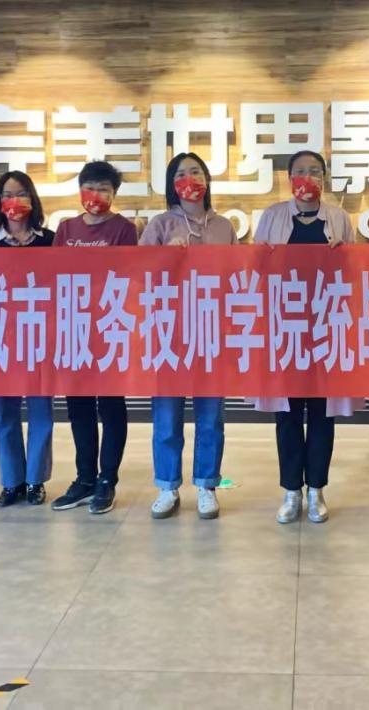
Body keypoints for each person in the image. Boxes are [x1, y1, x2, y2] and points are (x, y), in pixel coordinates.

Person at [251, 150, 361, 525]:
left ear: (324, 179)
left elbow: (355, 272)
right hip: (285, 327)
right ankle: (290, 491)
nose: (307, 177)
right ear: (289, 178)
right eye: (300, 171)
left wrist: (344, 256)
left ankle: (316, 489)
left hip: (326, 326)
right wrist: (264, 258)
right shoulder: (272, 216)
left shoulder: (339, 218)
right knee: (287, 413)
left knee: (321, 413)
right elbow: (254, 270)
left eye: (315, 171)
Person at [141, 152, 236, 520]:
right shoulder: (160, 224)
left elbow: (237, 275)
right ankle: (167, 486)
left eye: (196, 171)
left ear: (207, 179)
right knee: (167, 415)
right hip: (169, 331)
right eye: (181, 174)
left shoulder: (224, 227)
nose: (190, 179)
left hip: (211, 331)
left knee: (211, 416)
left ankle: (207, 485)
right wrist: (165, 256)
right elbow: (137, 274)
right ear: (172, 184)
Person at [49, 161, 138, 515]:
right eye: (90, 187)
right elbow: (54, 274)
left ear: (114, 194)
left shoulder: (124, 228)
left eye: (104, 189)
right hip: (73, 326)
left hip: (108, 327)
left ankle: (107, 480)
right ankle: (84, 478)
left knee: (111, 404)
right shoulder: (66, 228)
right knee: (79, 406)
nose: (96, 195)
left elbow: (126, 274)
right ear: (80, 190)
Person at [0, 171, 55, 508]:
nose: (14, 201)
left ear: (32, 198)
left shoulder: (50, 240)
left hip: (40, 336)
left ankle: (36, 480)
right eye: (7, 194)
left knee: (41, 412)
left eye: (21, 193)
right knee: (5, 413)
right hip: (2, 337)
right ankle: (11, 481)